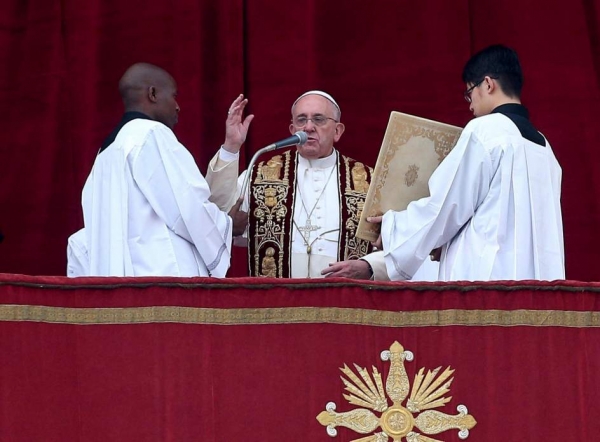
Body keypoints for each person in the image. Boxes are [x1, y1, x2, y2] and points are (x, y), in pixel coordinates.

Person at [365, 44, 565, 281]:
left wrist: (392, 227)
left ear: (488, 84)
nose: (469, 105)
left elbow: (447, 206)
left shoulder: (486, 131)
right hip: (537, 285)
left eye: (469, 93)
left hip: (489, 283)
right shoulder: (544, 147)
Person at [67, 62, 247, 277]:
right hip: (162, 282)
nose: (178, 106)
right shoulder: (151, 134)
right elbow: (188, 208)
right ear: (152, 94)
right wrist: (228, 225)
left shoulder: (105, 154)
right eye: (173, 96)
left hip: (122, 284)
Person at [206, 90, 380, 278]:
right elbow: (216, 211)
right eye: (301, 120)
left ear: (337, 131)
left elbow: (395, 243)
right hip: (276, 301)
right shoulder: (260, 175)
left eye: (319, 119)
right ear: (292, 130)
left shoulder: (370, 181)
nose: (308, 127)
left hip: (345, 301)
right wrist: (231, 146)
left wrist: (370, 266)